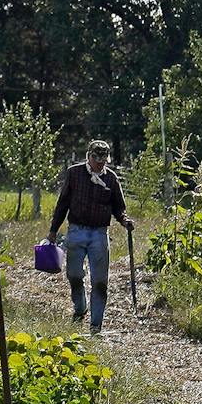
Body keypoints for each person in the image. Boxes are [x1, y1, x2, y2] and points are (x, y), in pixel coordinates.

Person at [47, 139, 133, 334]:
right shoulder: (74, 174)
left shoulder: (111, 179)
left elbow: (119, 207)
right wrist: (53, 230)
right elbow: (63, 203)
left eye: (103, 160)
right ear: (89, 156)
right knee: (74, 275)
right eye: (97, 159)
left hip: (99, 234)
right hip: (76, 230)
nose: (100, 163)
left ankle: (96, 325)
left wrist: (125, 220)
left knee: (100, 281)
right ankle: (80, 308)